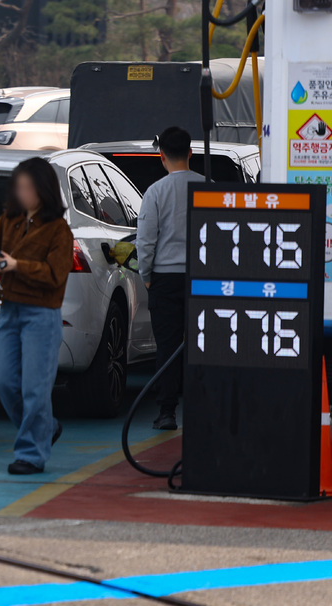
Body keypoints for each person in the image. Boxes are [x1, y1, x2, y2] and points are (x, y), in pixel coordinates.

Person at [0, 157, 74, 475]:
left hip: (42, 313)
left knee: (35, 387)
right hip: (10, 309)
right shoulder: (8, 221)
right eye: (20, 186)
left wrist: (17, 266)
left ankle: (31, 453)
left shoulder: (58, 230)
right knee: (2, 381)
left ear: (44, 189)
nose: (23, 192)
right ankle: (46, 427)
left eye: (29, 186)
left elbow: (56, 275)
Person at [137, 126, 202, 431]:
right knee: (204, 346)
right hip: (203, 281)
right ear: (190, 153)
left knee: (167, 346)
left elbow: (145, 242)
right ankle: (205, 407)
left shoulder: (155, 192)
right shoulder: (208, 188)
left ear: (161, 156)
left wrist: (147, 276)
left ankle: (166, 413)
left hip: (165, 280)